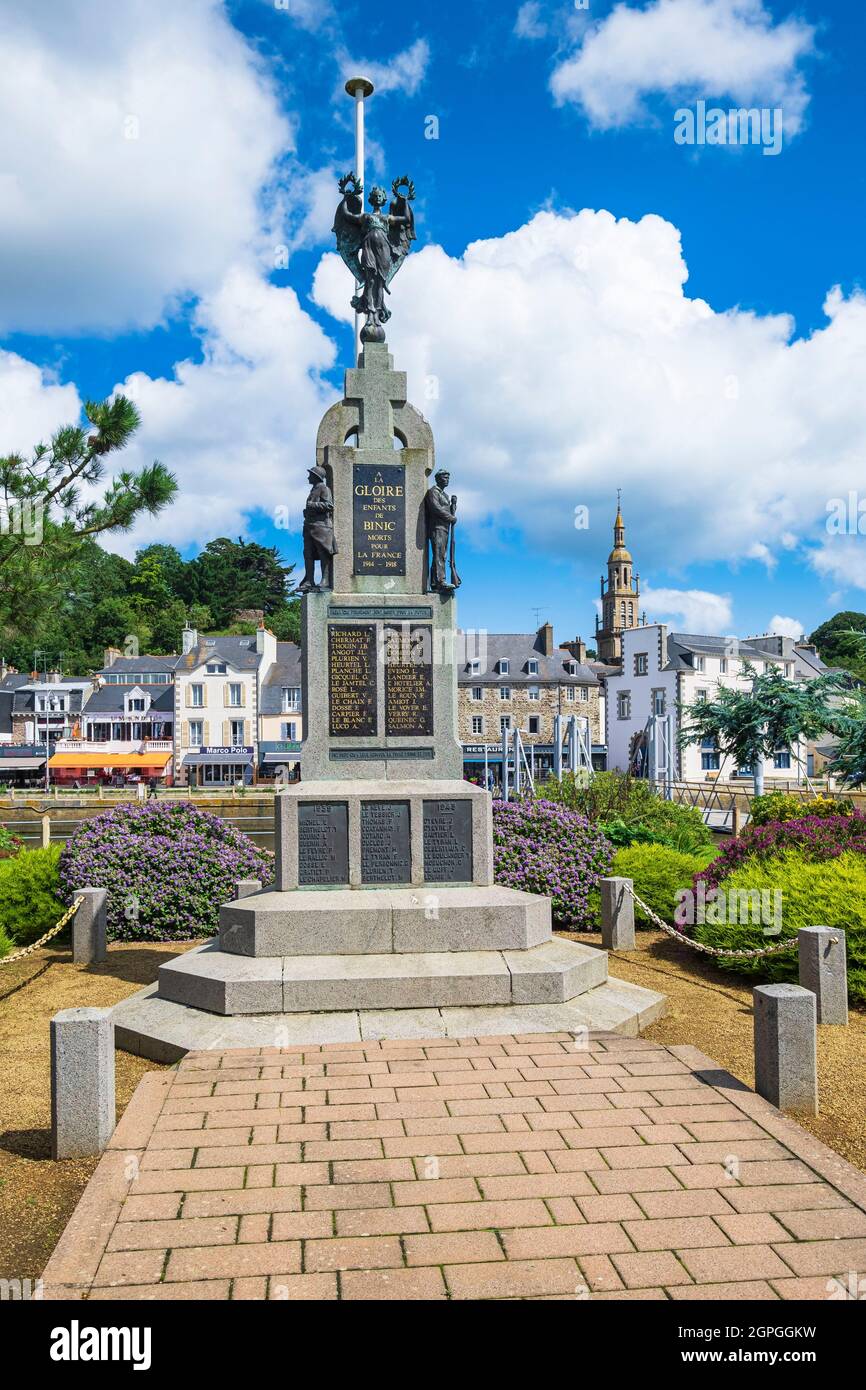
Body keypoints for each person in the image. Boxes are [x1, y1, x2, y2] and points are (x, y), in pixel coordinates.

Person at [299, 466, 337, 592]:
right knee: (308, 554)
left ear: (316, 476)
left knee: (323, 553)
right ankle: (309, 580)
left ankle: (325, 580)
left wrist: (312, 505)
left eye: (310, 474)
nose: (308, 477)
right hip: (310, 526)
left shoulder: (323, 488)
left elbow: (329, 505)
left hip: (321, 527)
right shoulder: (314, 489)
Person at [425, 469, 459, 591]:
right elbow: (436, 508)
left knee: (442, 555)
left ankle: (435, 582)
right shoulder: (433, 492)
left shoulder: (445, 495)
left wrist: (452, 507)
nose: (447, 480)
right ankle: (440, 580)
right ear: (438, 479)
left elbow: (444, 509)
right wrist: (450, 517)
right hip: (437, 527)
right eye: (445, 477)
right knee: (439, 553)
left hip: (445, 528)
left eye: (448, 478)